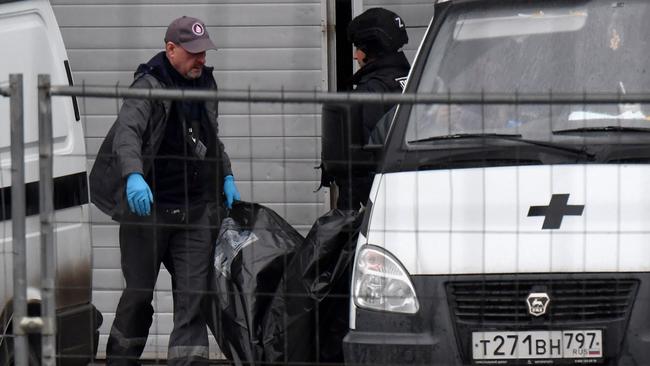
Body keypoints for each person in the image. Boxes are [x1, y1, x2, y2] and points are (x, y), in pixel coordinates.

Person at [89, 16, 240, 366]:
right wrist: (132, 176)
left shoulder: (206, 84)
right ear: (170, 49)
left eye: (204, 52)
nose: (200, 60)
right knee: (138, 296)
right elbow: (128, 134)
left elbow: (209, 138)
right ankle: (120, 361)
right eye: (193, 53)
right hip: (148, 212)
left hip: (194, 211)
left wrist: (226, 175)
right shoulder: (149, 84)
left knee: (193, 299)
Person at [337, 7, 411, 210]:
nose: (355, 56)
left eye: (358, 48)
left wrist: (346, 216)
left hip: (381, 203)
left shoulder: (370, 91)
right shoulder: (416, 80)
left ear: (371, 49)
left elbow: (363, 166)